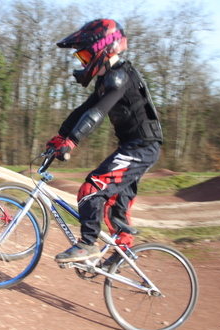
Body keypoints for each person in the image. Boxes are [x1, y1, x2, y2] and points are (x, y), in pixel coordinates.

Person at [46, 19, 163, 263]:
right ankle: (123, 254)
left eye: (86, 55)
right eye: (81, 58)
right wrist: (61, 135)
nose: (84, 62)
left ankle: (88, 244)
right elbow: (84, 109)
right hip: (135, 146)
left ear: (106, 48)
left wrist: (72, 141)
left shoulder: (120, 77)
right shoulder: (107, 79)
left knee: (92, 188)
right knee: (114, 204)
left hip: (141, 146)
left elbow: (96, 114)